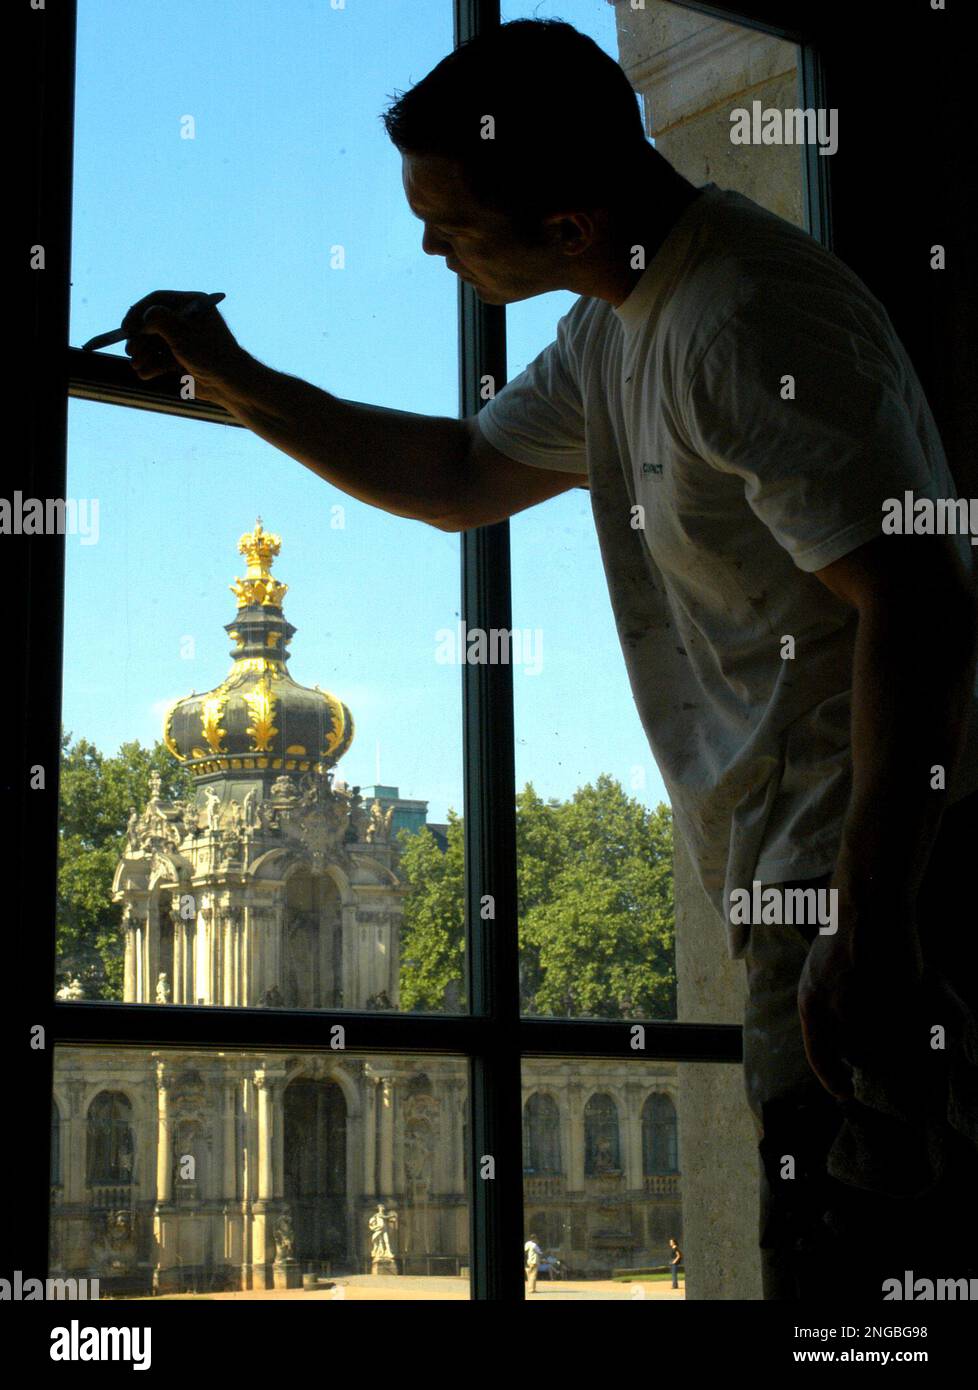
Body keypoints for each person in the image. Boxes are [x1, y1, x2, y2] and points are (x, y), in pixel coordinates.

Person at [121, 20, 978, 1299]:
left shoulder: (744, 319)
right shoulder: (624, 319)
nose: (427, 248)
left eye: (453, 225)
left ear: (571, 224)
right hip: (804, 862)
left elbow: (921, 596)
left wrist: (871, 908)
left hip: (863, 868)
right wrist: (234, 376)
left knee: (866, 1270)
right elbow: (460, 475)